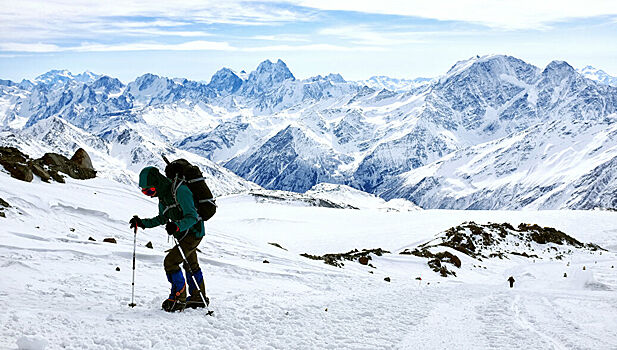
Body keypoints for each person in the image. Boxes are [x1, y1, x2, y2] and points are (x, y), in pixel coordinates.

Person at [129, 166, 208, 312]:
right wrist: (142, 223)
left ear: (157, 183)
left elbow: (192, 216)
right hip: (183, 234)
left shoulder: (181, 192)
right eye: (145, 192)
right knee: (191, 264)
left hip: (194, 233)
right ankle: (198, 297)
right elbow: (163, 218)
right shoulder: (163, 198)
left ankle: (178, 299)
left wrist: (177, 226)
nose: (150, 195)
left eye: (150, 190)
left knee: (171, 262)